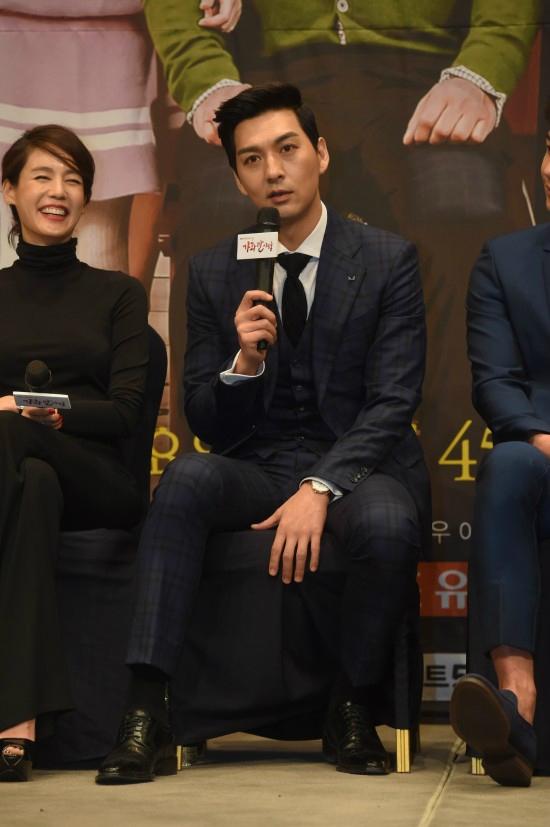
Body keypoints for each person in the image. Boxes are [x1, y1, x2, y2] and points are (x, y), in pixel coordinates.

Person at [96, 82, 430, 785]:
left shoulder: (386, 258)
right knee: (185, 479)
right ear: (236, 176)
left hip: (356, 468)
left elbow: (392, 401)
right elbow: (204, 419)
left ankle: (350, 705)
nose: (273, 171)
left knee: (390, 522)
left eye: (287, 149)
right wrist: (243, 364)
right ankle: (146, 707)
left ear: (321, 153)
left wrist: (321, 485)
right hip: (258, 463)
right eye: (252, 159)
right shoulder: (216, 269)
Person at [0, 124, 149, 782]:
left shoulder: (118, 293)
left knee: (11, 435)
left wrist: (30, 409)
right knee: (32, 482)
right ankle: (18, 725)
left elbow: (124, 412)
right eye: (42, 176)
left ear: (87, 197)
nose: (58, 191)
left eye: (73, 179)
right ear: (9, 189)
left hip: (100, 478)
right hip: (22, 474)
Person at [449, 103, 550, 788]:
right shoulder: (506, 261)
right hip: (540, 446)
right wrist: (542, 435)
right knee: (509, 463)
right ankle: (517, 701)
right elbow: (495, 383)